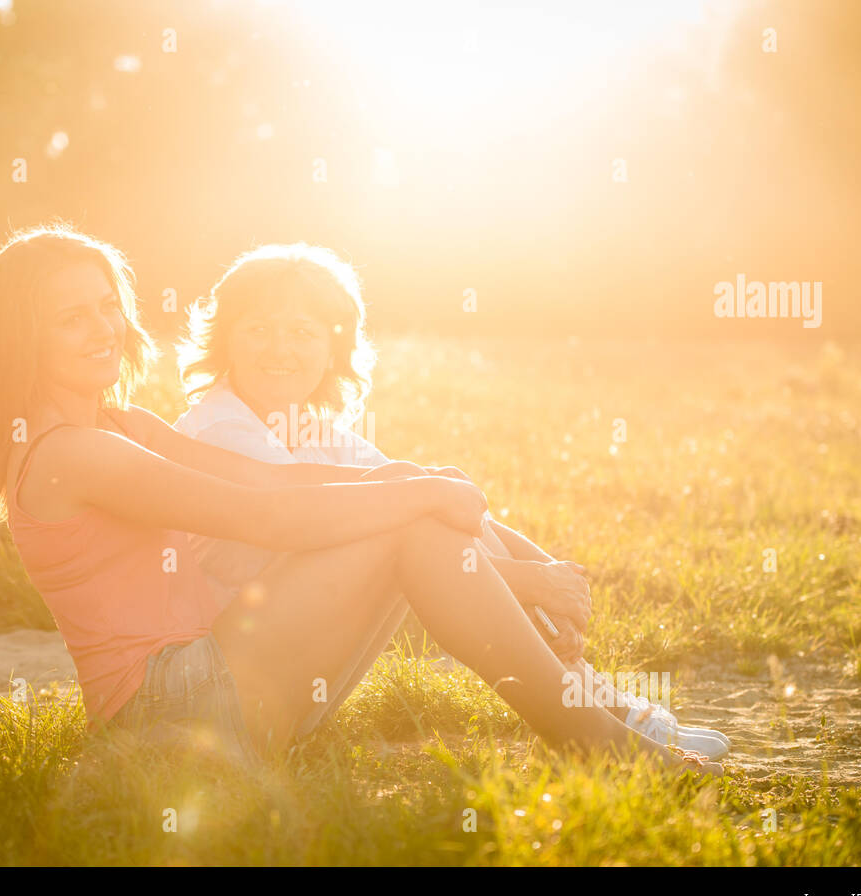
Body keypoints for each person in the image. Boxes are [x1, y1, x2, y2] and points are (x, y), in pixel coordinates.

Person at [0, 223, 721, 777]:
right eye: (71, 317)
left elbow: (271, 481)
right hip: (166, 715)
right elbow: (264, 516)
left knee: (411, 516)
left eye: (107, 304)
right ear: (22, 336)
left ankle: (592, 726)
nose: (103, 327)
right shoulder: (73, 454)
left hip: (221, 688)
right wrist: (418, 494)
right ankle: (596, 738)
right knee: (410, 524)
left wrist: (413, 484)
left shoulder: (120, 422)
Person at [175, 242, 729, 756]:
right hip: (234, 683)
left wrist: (550, 576)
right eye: (259, 329)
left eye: (302, 333)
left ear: (331, 349)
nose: (280, 349)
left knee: (426, 487)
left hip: (297, 670)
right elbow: (353, 527)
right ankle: (594, 729)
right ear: (225, 338)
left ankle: (595, 700)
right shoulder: (221, 428)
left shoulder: (313, 429)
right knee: (411, 500)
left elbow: (445, 505)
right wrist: (529, 583)